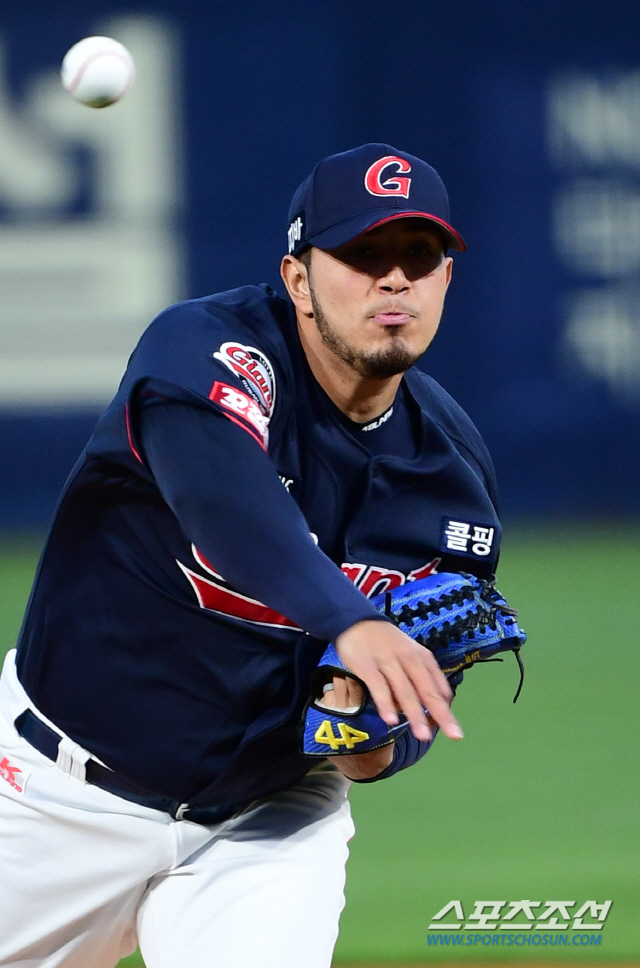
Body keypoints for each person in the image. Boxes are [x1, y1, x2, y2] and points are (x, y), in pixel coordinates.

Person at [0, 143, 501, 968]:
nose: (395, 280)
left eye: (421, 256)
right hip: (54, 802)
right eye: (363, 253)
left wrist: (373, 746)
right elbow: (222, 498)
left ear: (447, 279)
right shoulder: (203, 348)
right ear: (298, 278)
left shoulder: (454, 485)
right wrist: (349, 620)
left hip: (264, 826)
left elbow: (418, 699)